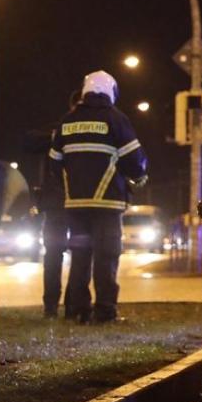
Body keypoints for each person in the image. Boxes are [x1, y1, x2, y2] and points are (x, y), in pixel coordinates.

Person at [48, 71, 147, 324]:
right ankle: (105, 312)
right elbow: (134, 159)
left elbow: (54, 162)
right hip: (108, 204)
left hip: (76, 207)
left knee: (80, 256)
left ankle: (79, 310)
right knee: (106, 256)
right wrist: (138, 177)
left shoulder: (66, 121)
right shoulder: (116, 119)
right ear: (110, 92)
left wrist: (72, 187)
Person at [33, 91, 84, 318]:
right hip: (58, 203)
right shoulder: (61, 127)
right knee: (54, 253)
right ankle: (51, 306)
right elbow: (29, 140)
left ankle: (71, 305)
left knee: (79, 253)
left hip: (78, 203)